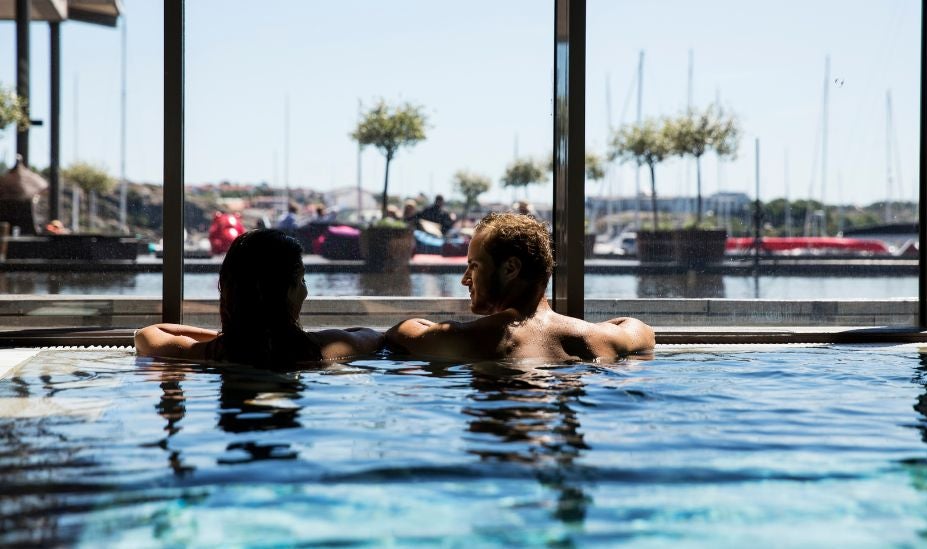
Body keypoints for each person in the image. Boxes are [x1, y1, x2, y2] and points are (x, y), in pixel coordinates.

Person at [385, 212, 654, 361]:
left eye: (474, 266)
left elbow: (401, 332)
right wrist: (584, 327)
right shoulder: (597, 338)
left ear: (510, 269)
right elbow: (642, 331)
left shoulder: (467, 338)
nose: (465, 279)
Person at [135, 229, 382, 365]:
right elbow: (373, 336)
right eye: (301, 281)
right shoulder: (323, 348)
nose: (305, 291)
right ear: (284, 292)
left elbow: (147, 334)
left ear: (229, 290)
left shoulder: (207, 354)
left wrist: (233, 336)